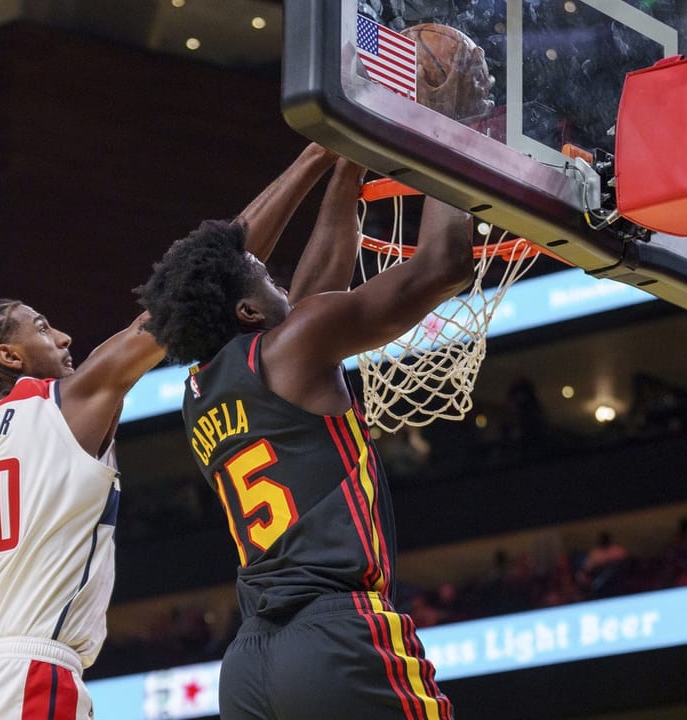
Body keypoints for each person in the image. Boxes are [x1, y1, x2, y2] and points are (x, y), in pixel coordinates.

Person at [0, 142, 341, 718]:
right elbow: (201, 281)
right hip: (33, 679)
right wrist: (317, 157)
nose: (63, 337)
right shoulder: (70, 404)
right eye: (42, 328)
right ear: (10, 356)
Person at [136, 153, 474, 718]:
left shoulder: (199, 397)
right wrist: (451, 133)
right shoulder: (295, 346)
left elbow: (315, 294)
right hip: (336, 632)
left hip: (249, 665)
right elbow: (443, 265)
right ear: (247, 310)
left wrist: (347, 169)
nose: (282, 284)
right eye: (268, 279)